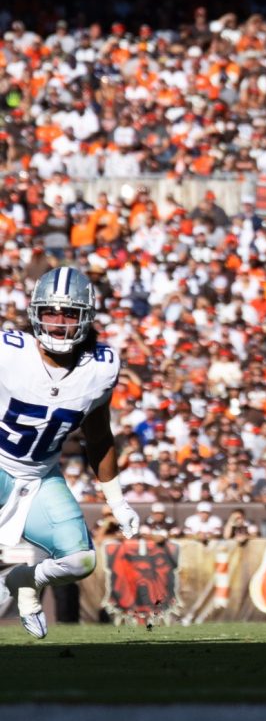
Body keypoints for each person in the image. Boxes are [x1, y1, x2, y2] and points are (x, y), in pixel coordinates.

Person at [0, 269, 143, 640]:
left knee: (81, 560)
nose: (59, 323)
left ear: (86, 317)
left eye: (69, 314)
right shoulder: (8, 351)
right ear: (36, 313)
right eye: (51, 312)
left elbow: (98, 435)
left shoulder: (101, 366)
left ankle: (26, 580)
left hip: (39, 475)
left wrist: (118, 501)